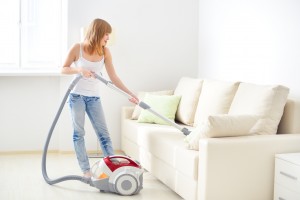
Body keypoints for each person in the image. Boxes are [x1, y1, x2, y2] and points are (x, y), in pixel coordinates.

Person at [61, 18, 138, 178]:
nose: (108, 38)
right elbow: (63, 69)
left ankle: (115, 170)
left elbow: (114, 77)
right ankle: (86, 171)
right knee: (78, 133)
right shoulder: (78, 48)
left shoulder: (105, 52)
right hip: (76, 96)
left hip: (94, 98)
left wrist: (130, 94)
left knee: (104, 135)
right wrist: (80, 70)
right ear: (97, 33)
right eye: (106, 34)